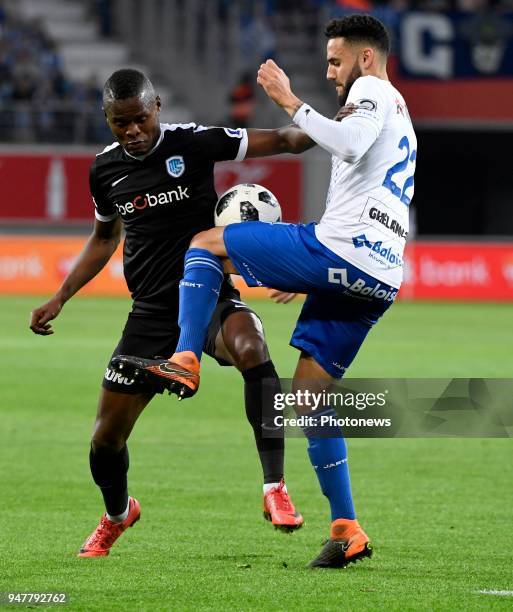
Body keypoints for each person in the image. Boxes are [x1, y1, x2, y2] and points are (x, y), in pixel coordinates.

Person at [114, 15, 417, 569]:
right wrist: (310, 273)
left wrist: (288, 99)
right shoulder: (402, 116)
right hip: (378, 273)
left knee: (206, 242)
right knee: (307, 396)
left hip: (342, 251)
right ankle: (347, 529)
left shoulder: (371, 90)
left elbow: (347, 145)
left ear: (366, 59)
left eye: (335, 61)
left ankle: (185, 355)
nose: (331, 73)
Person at [29, 68, 322, 557]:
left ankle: (275, 487)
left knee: (251, 343)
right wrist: (61, 296)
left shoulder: (194, 142)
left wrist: (336, 127)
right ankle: (119, 514)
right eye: (120, 123)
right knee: (105, 442)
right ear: (108, 119)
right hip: (150, 314)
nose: (133, 132)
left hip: (206, 295)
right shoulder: (104, 170)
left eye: (140, 119)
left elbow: (287, 141)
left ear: (157, 106)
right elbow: (105, 238)